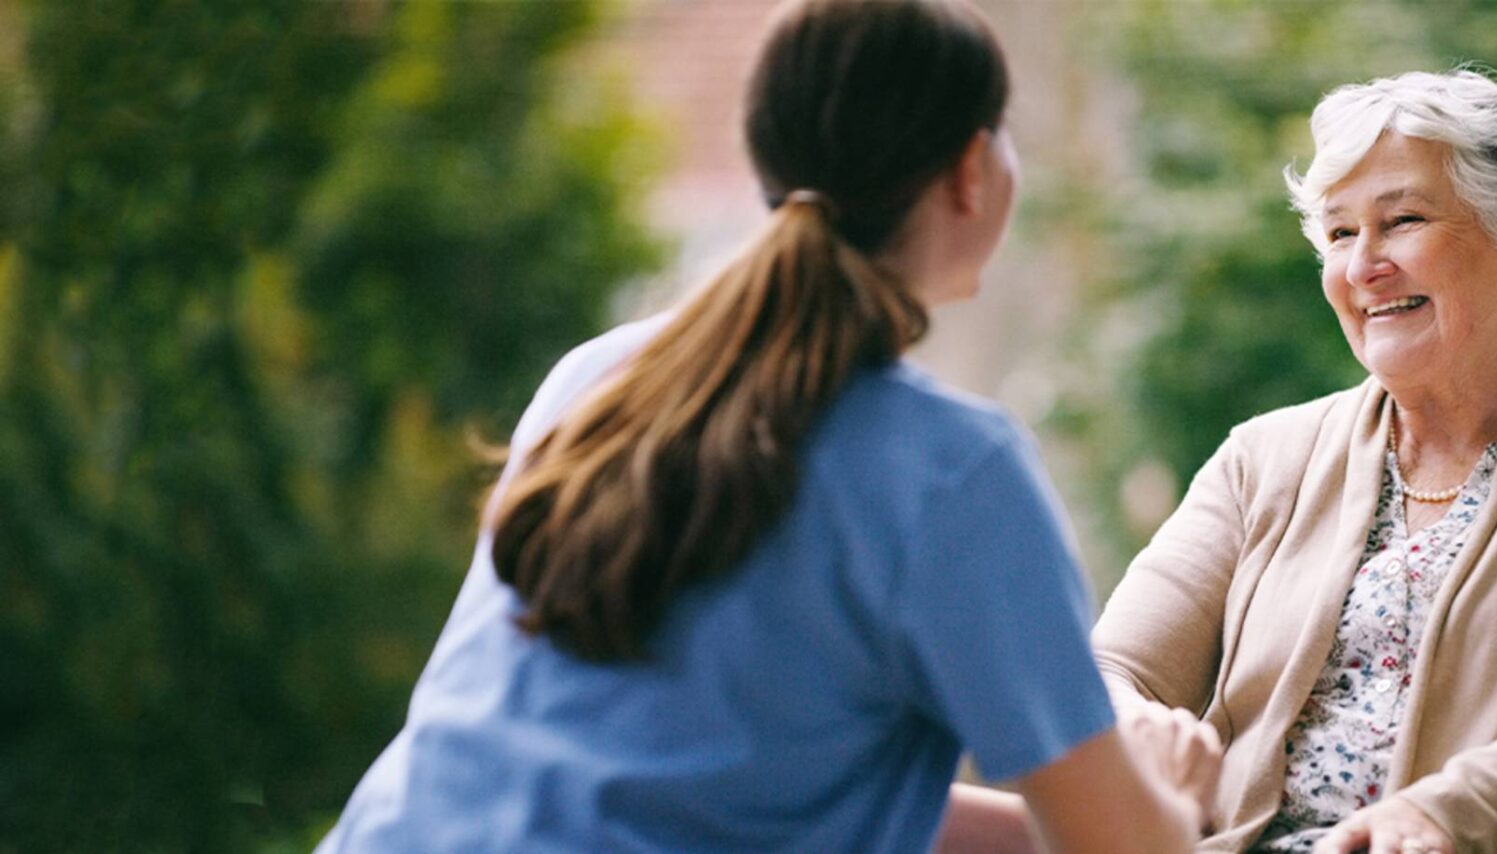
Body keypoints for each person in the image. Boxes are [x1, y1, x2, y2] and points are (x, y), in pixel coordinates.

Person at [317, 1, 1218, 851]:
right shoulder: (952, 472)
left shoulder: (597, 378)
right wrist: (1172, 793)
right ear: (971, 172)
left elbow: (733, 782)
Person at [1092, 70, 1497, 854]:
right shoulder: (1262, 457)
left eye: (1400, 221)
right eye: (1338, 234)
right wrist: (1137, 731)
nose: (1363, 266)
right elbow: (1113, 668)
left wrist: (1448, 816)